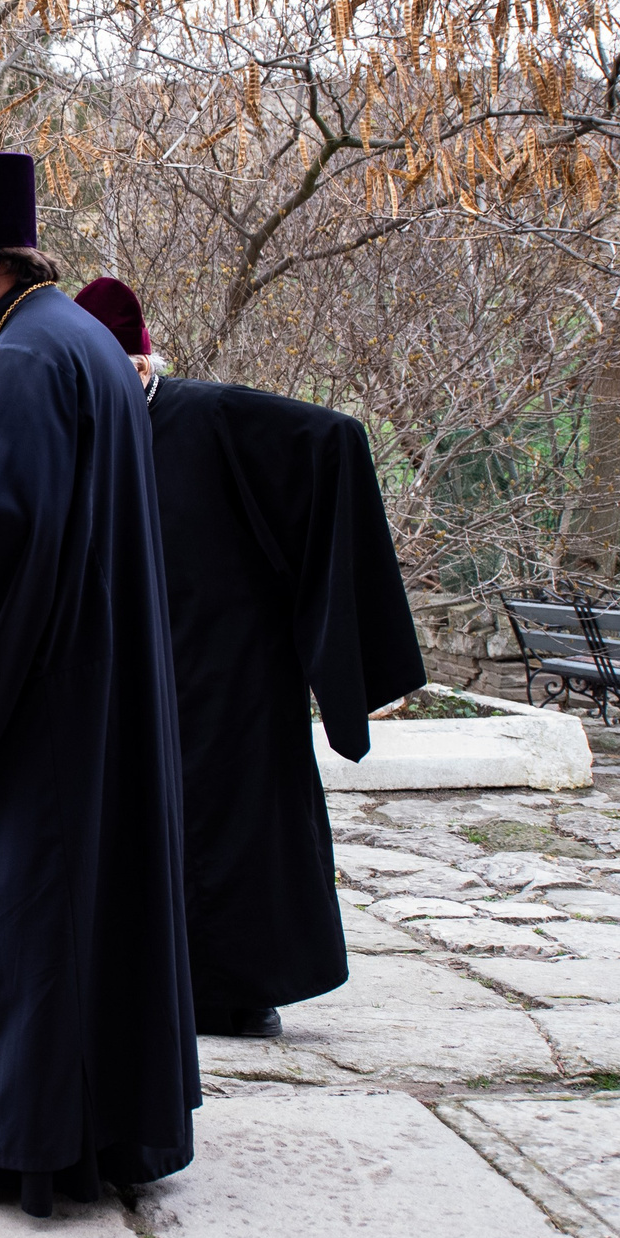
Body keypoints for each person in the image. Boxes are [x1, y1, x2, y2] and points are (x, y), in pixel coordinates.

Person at [0, 151, 199, 1217]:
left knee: (25, 918)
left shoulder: (19, 362)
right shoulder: (91, 346)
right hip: (96, 694)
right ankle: (97, 1130)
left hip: (39, 718)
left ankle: (20, 1139)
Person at [74, 276, 426, 1039]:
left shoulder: (213, 413)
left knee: (234, 831)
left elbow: (334, 441)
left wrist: (331, 636)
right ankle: (154, 987)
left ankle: (242, 991)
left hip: (231, 669)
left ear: (141, 363)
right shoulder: (83, 434)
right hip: (136, 669)